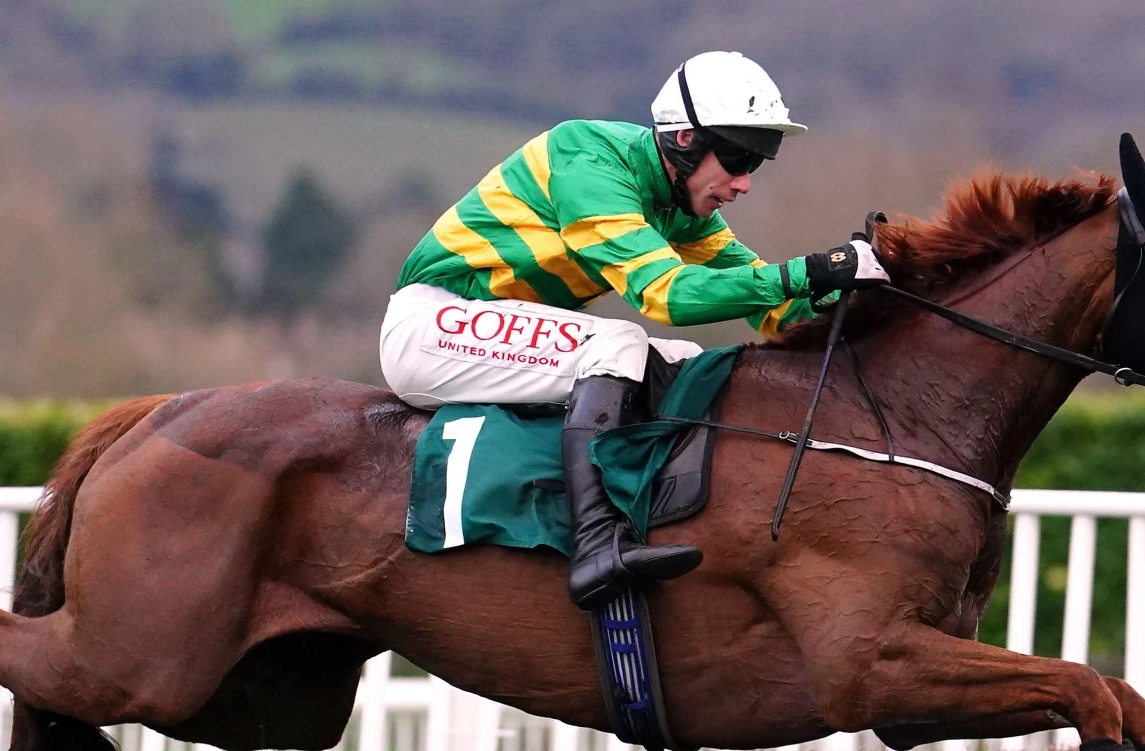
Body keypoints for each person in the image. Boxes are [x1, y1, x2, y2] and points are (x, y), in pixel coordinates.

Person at [381, 51, 891, 609]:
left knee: (681, 359)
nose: (744, 184)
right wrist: (809, 270)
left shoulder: (681, 209)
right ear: (685, 140)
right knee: (620, 343)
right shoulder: (587, 160)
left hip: (490, 334)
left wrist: (862, 301)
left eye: (758, 164)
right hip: (431, 326)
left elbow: (768, 302)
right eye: (739, 158)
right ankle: (597, 544)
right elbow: (665, 294)